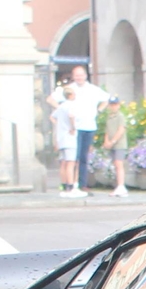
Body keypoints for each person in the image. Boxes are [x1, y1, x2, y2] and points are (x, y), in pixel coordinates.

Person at [48, 65, 103, 197]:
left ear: (85, 75)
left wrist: (97, 111)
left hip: (89, 125)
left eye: (81, 75)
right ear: (73, 76)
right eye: (76, 75)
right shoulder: (69, 89)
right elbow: (50, 99)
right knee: (73, 158)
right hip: (75, 129)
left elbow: (105, 99)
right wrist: (62, 109)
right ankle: (71, 184)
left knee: (83, 156)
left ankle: (82, 183)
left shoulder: (92, 89)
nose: (79, 77)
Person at [97, 93, 130, 197]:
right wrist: (106, 141)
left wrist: (113, 141)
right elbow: (107, 130)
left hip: (119, 144)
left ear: (119, 105)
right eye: (111, 105)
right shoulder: (109, 117)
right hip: (112, 144)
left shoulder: (120, 116)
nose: (113, 107)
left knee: (119, 164)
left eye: (115, 104)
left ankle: (121, 186)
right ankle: (118, 185)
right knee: (115, 164)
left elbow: (121, 129)